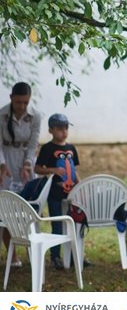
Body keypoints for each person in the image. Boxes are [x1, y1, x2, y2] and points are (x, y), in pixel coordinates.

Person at [1, 82, 42, 266]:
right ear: (11, 98)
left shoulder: (35, 116)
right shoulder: (1, 115)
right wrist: (1, 165)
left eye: (26, 102)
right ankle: (12, 255)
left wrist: (28, 164)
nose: (22, 106)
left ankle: (33, 252)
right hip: (6, 161)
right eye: (18, 102)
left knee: (28, 208)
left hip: (25, 163)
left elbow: (33, 144)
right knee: (6, 209)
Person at [34, 113, 81, 270]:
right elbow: (37, 168)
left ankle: (75, 255)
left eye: (66, 128)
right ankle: (55, 257)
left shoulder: (71, 148)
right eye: (60, 128)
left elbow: (74, 170)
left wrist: (80, 186)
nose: (64, 131)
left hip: (71, 194)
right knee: (58, 225)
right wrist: (53, 170)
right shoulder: (47, 148)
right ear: (51, 130)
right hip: (54, 194)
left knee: (75, 224)